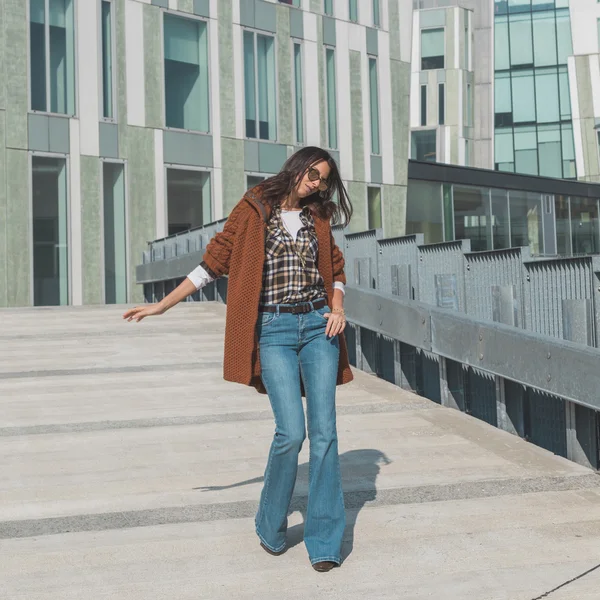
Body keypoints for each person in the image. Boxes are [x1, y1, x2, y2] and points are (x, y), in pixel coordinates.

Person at [123, 146, 354, 572]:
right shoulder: (254, 207)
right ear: (297, 166)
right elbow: (212, 264)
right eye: (312, 172)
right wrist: (162, 306)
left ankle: (324, 540)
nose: (315, 182)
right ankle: (270, 524)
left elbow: (336, 271)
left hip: (318, 327)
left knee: (324, 434)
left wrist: (337, 306)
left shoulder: (316, 217)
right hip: (274, 331)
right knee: (291, 433)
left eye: (323, 179)